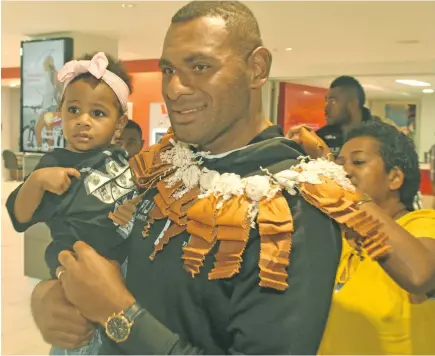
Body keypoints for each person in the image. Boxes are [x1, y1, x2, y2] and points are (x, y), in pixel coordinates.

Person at [28, 2, 388, 354]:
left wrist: (120, 315)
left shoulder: (292, 207)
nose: (174, 89)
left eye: (200, 66)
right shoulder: (164, 163)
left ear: (257, 68)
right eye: (168, 70)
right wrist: (50, 294)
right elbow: (100, 245)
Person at [6, 52, 137, 355]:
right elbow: (18, 216)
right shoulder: (57, 163)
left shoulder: (121, 160)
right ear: (60, 113)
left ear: (120, 125)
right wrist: (37, 181)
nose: (83, 121)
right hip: (80, 276)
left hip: (125, 271)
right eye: (74, 110)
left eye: (98, 113)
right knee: (80, 343)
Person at [319, 121, 435, 355]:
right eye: (339, 164)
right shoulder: (338, 235)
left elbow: (419, 274)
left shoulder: (422, 224)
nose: (344, 172)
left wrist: (355, 198)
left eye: (358, 162)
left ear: (395, 178)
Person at [288, 75, 372, 158]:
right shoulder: (320, 136)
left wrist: (325, 154)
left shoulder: (378, 136)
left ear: (352, 105)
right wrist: (291, 146)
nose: (326, 107)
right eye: (326, 100)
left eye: (333, 100)